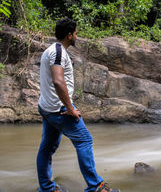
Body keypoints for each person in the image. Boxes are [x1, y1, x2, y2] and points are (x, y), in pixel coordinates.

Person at [36, 18, 120, 192]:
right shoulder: (58, 52)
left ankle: (46, 188)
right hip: (58, 109)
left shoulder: (51, 50)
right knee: (85, 140)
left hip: (47, 106)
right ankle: (96, 186)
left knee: (47, 147)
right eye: (75, 32)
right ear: (69, 35)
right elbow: (58, 82)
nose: (77, 35)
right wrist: (70, 109)